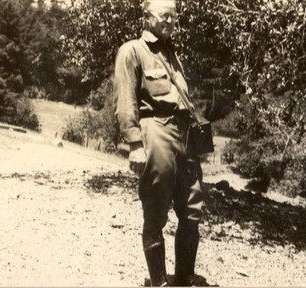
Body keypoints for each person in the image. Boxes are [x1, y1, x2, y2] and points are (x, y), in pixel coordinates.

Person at [113, 0, 204, 286]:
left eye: (174, 17)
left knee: (192, 209)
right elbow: (125, 101)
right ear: (146, 16)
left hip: (184, 134)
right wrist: (135, 144)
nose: (169, 21)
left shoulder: (173, 54)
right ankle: (159, 283)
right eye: (164, 15)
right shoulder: (132, 51)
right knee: (155, 211)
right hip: (155, 130)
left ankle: (184, 280)